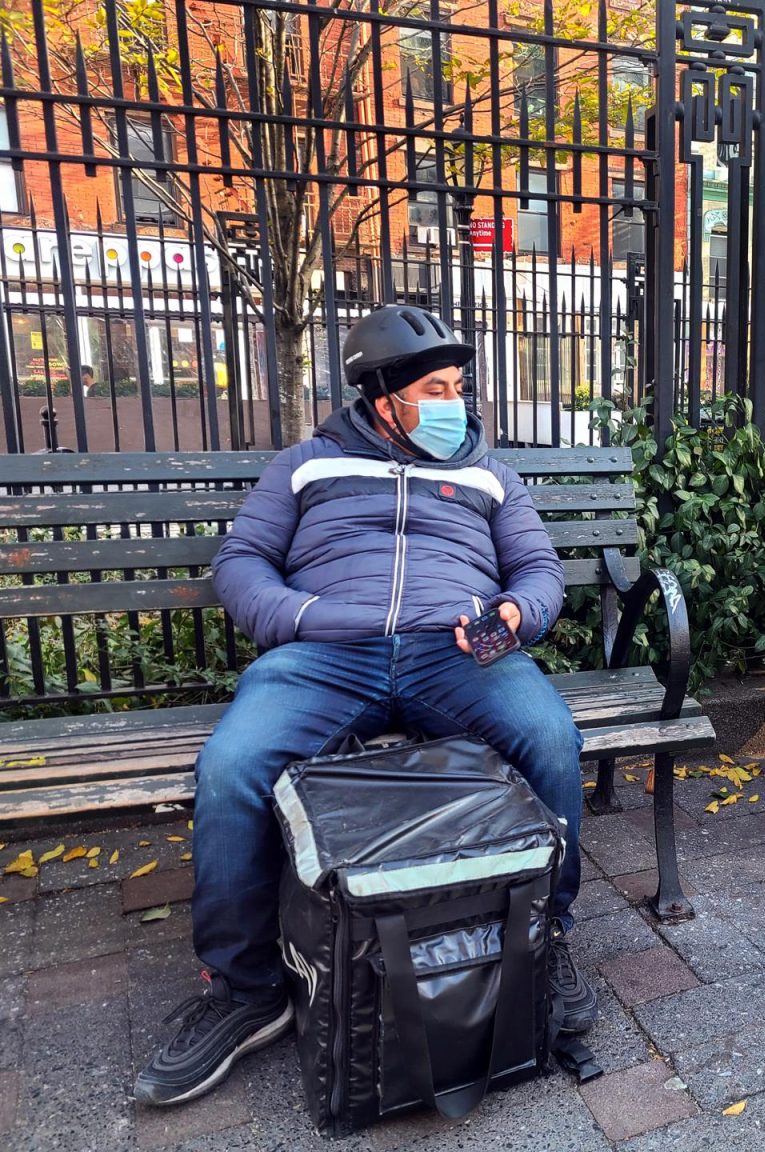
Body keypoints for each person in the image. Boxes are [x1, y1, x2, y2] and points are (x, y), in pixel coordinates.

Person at [134, 305, 593, 1107]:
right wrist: (306, 619)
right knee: (234, 766)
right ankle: (247, 993)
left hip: (454, 651)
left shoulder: (490, 472)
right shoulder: (306, 465)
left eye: (459, 385)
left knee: (551, 738)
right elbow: (242, 562)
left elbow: (538, 570)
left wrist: (517, 614)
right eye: (436, 388)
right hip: (324, 653)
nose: (458, 402)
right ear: (384, 397)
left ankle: (542, 935)